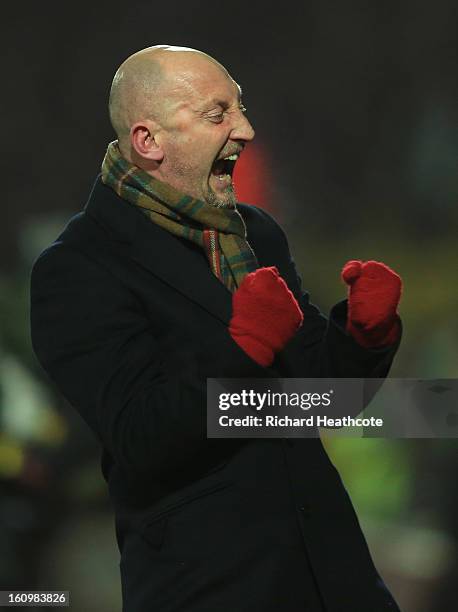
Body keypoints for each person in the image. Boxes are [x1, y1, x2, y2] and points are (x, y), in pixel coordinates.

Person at [30, 45, 403, 611]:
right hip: (211, 586)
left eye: (240, 107)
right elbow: (141, 437)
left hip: (335, 574)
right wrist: (244, 348)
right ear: (148, 141)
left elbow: (318, 402)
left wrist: (362, 337)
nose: (245, 130)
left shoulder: (255, 234)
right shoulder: (77, 268)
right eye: (217, 113)